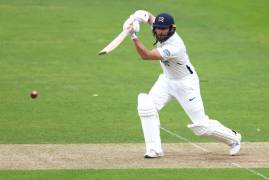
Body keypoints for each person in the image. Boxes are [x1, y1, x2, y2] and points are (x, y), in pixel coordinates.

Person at [123, 10, 241, 158]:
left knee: (201, 126)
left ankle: (234, 138)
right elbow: (147, 16)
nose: (160, 32)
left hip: (185, 84)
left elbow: (146, 55)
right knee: (146, 106)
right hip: (166, 80)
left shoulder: (174, 46)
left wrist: (133, 36)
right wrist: (134, 18)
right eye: (158, 28)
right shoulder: (159, 29)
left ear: (171, 28)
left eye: (164, 29)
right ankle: (154, 150)